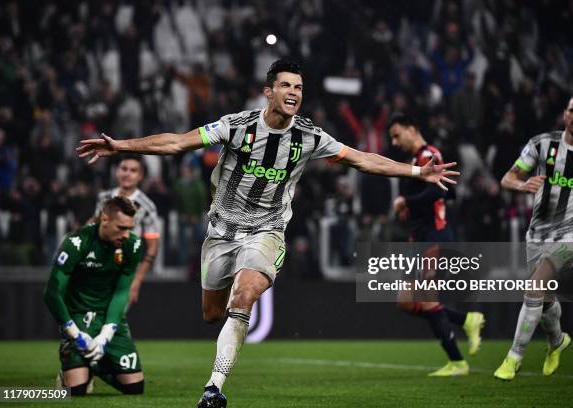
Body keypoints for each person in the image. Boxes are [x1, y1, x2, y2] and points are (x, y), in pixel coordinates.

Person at [77, 59, 459, 408]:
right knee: (212, 314)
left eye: (299, 88)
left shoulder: (309, 137)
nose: (294, 93)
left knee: (244, 295)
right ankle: (230, 320)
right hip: (221, 232)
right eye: (287, 85)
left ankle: (214, 387)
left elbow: (362, 159)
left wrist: (415, 172)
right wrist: (120, 146)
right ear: (269, 91)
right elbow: (177, 142)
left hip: (267, 231)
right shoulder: (236, 126)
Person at [494, 95, 573, 380]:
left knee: (535, 284)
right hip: (538, 234)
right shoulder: (542, 144)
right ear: (565, 114)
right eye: (572, 111)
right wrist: (522, 184)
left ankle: (514, 357)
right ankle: (557, 340)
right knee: (542, 297)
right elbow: (507, 178)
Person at [388, 113, 485, 377]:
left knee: (428, 300)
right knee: (406, 301)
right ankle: (468, 320)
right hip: (418, 237)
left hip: (432, 235)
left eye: (397, 134)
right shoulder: (415, 161)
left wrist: (406, 202)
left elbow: (440, 191)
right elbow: (449, 190)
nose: (395, 142)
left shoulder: (430, 154)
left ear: (412, 128)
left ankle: (457, 362)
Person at [43, 196, 145, 396]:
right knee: (75, 391)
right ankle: (72, 374)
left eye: (129, 228)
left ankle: (95, 367)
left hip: (108, 315)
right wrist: (75, 334)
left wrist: (106, 335)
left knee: (135, 388)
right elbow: (52, 293)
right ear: (104, 219)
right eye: (121, 227)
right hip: (77, 316)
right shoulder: (76, 243)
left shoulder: (132, 245)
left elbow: (121, 291)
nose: (126, 234)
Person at [88, 154, 160, 304]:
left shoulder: (147, 206)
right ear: (117, 171)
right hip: (98, 267)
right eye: (124, 169)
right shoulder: (104, 197)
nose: (127, 173)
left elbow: (153, 247)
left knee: (112, 322)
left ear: (140, 176)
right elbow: (94, 224)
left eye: (133, 170)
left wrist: (137, 280)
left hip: (125, 271)